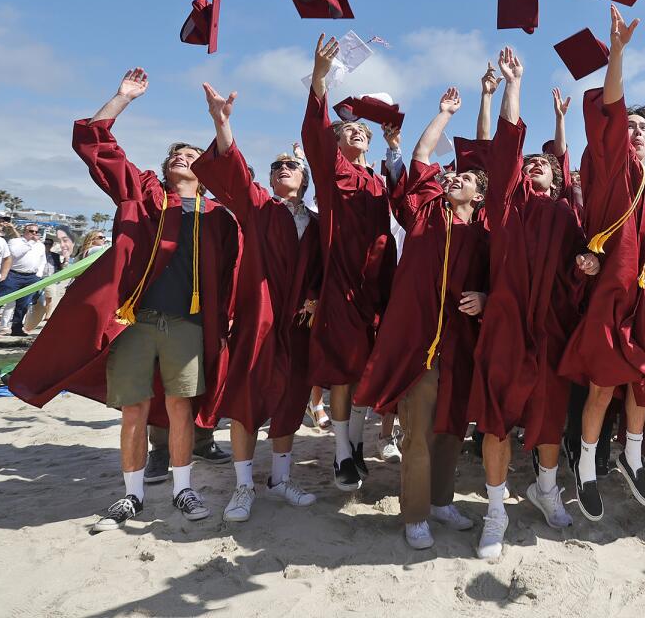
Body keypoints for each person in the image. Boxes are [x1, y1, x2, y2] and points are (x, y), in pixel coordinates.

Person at [8, 67, 239, 533]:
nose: (182, 157)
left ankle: (182, 488)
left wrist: (220, 124)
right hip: (134, 321)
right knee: (134, 408)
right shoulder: (144, 194)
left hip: (189, 324)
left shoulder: (219, 216)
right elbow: (94, 144)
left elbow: (239, 181)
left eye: (192, 155)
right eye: (175, 154)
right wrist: (122, 98)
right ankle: (132, 495)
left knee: (180, 408)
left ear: (206, 171)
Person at [354, 85, 490, 550]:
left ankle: (440, 501)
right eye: (450, 177)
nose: (453, 180)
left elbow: (500, 280)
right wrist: (445, 113)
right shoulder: (424, 210)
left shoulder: (486, 231)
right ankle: (415, 515)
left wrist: (486, 298)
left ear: (479, 192)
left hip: (461, 341)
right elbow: (421, 153)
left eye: (464, 178)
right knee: (417, 430)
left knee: (452, 427)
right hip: (418, 341)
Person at [467, 47, 589, 558]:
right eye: (530, 162)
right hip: (505, 325)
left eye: (545, 163)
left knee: (547, 421)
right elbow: (507, 148)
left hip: (550, 332)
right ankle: (495, 512)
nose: (535, 164)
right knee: (496, 419)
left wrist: (589, 267)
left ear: (558, 179)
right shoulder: (506, 205)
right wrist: (514, 86)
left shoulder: (567, 217)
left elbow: (576, 277)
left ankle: (543, 489)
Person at [192, 82, 323, 522]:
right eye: (276, 167)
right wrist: (221, 122)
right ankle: (244, 485)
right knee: (247, 398)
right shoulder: (258, 208)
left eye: (291, 166)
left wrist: (317, 300)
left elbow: (327, 270)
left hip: (299, 323)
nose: (283, 169)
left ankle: (281, 477)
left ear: (304, 179)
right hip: (261, 318)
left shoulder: (319, 224)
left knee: (291, 400)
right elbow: (232, 168)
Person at [558, 5, 645, 521]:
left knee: (641, 380)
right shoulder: (613, 167)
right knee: (602, 385)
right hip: (609, 292)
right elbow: (613, 107)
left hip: (643, 293)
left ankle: (633, 454)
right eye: (632, 127)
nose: (636, 132)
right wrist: (617, 51)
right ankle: (585, 468)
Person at [301, 34, 397, 492]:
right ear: (335, 142)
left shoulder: (376, 181)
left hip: (376, 288)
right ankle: (341, 453)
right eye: (348, 130)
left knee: (364, 371)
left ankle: (355, 444)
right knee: (342, 368)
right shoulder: (332, 171)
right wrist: (320, 77)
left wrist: (394, 146)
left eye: (364, 130)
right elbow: (316, 133)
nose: (358, 131)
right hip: (341, 285)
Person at [0, 221, 47, 336]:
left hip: (31, 277)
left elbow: (42, 260)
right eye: (31, 231)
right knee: (0, 300)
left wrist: (38, 274)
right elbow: (15, 254)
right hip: (14, 274)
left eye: (36, 231)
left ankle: (16, 328)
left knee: (23, 305)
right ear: (25, 231)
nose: (34, 233)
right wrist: (30, 243)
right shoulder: (15, 241)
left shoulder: (40, 245)